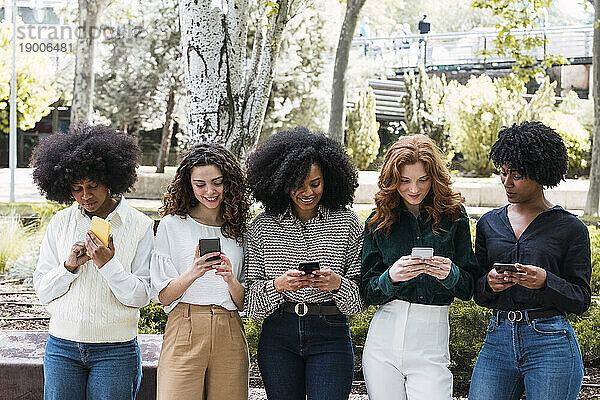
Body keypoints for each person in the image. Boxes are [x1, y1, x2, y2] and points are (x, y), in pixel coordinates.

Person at [468, 121, 591, 400]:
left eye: (518, 175)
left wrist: (546, 282)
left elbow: (581, 299)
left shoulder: (570, 229)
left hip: (551, 342)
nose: (507, 182)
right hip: (497, 339)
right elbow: (476, 292)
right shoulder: (489, 224)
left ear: (540, 174)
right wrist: (488, 283)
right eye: (503, 173)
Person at [32, 123, 154, 400]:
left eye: (93, 186)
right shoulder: (60, 223)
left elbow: (142, 296)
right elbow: (43, 291)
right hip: (62, 348)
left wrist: (108, 265)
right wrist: (69, 267)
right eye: (76, 188)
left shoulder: (140, 225)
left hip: (116, 350)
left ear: (110, 179)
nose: (85, 196)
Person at [244, 127, 364, 400]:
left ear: (329, 180)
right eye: (298, 184)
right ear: (282, 180)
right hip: (278, 335)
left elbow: (358, 302)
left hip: (330, 333)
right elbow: (250, 304)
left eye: (315, 183)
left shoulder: (348, 223)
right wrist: (278, 286)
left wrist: (338, 285)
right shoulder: (262, 227)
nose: (307, 192)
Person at [360, 135, 478, 400]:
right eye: (404, 181)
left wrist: (451, 274)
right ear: (393, 180)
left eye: (422, 180)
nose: (414, 189)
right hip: (383, 341)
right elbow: (366, 292)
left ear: (433, 178)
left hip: (431, 342)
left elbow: (470, 287)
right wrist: (391, 276)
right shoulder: (377, 222)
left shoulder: (454, 217)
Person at [150, 143, 251, 400]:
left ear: (229, 182)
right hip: (184, 327)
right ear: (188, 185)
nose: (210, 191)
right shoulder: (172, 226)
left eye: (217, 182)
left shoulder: (240, 230)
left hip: (229, 327)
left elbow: (243, 302)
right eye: (200, 184)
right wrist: (193, 272)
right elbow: (163, 296)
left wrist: (229, 277)